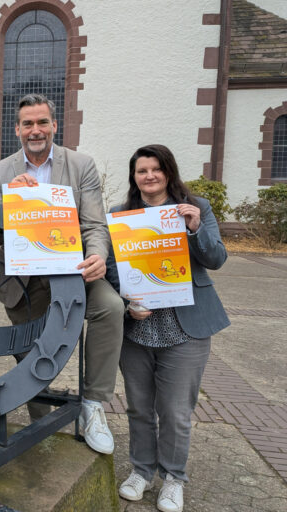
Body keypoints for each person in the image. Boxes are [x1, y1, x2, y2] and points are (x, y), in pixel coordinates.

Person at [0, 93, 124, 455]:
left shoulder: (81, 165)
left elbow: (95, 224)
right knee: (31, 352)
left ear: (54, 125)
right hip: (23, 279)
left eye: (42, 122)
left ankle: (93, 405)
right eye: (28, 123)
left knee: (110, 308)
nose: (36, 130)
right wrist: (5, 206)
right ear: (17, 129)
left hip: (72, 270)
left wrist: (97, 256)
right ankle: (41, 426)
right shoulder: (1, 171)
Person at [106, 144, 229, 512]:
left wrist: (194, 229)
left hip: (184, 328)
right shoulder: (121, 214)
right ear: (134, 177)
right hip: (138, 327)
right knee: (139, 408)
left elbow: (217, 258)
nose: (149, 176)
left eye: (156, 169)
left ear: (168, 172)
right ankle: (142, 472)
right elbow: (113, 269)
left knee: (175, 412)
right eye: (142, 171)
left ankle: (174, 477)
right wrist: (127, 303)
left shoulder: (197, 208)